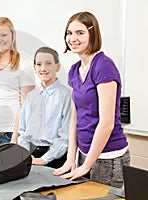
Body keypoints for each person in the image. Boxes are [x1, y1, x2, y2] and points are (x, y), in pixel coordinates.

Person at [53, 11, 130, 188]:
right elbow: (75, 118)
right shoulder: (74, 70)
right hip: (84, 153)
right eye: (69, 33)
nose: (73, 38)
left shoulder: (103, 66)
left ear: (92, 34)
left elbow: (107, 123)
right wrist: (70, 158)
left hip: (108, 158)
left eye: (80, 33)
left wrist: (87, 165)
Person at [17, 47, 71, 169]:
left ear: (57, 66)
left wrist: (44, 159)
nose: (43, 68)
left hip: (56, 157)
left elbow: (65, 136)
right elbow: (23, 132)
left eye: (48, 63)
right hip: (30, 155)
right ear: (35, 68)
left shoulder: (66, 96)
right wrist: (25, 155)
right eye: (39, 64)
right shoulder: (31, 96)